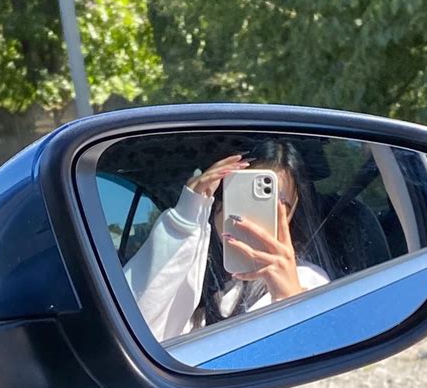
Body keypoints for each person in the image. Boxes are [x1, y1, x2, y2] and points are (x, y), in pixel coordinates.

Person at [124, 139, 332, 341]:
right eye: (242, 197)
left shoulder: (309, 280)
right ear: (216, 204)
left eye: (274, 203)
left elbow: (312, 357)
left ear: (290, 214)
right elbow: (134, 332)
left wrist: (290, 300)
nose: (251, 216)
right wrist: (183, 220)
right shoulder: (188, 269)